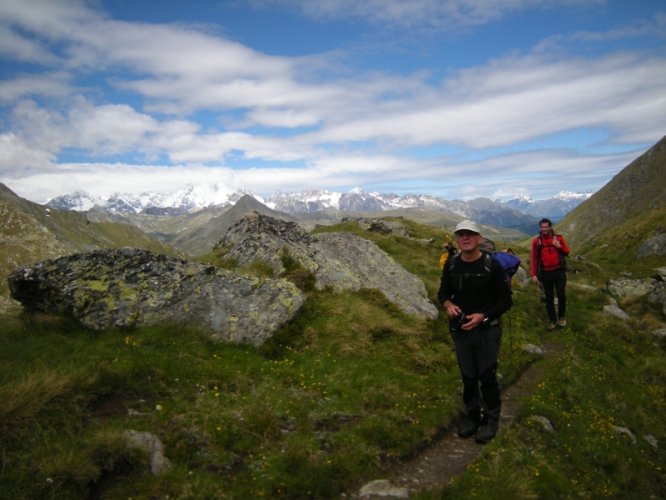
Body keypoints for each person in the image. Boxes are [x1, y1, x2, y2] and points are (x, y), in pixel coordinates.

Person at [438, 220, 513, 444]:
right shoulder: (451, 264)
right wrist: (448, 306)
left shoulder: (492, 266)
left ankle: (490, 420)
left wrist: (483, 316)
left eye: (470, 234)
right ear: (457, 240)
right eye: (461, 234)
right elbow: (443, 293)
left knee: (487, 375)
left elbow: (505, 301)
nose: (465, 237)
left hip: (487, 330)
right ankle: (472, 417)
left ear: (479, 239)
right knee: (468, 376)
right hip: (460, 330)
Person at [530, 218, 570, 330]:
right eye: (542, 227)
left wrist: (559, 246)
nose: (544, 229)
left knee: (561, 295)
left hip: (559, 271)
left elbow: (567, 252)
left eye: (546, 227)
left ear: (550, 227)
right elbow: (534, 258)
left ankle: (561, 316)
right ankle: (552, 320)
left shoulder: (558, 238)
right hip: (546, 273)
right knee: (549, 298)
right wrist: (533, 274)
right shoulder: (536, 241)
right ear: (540, 228)